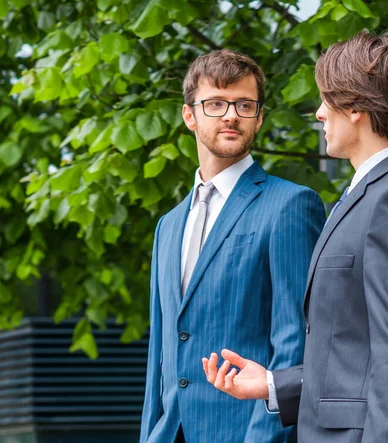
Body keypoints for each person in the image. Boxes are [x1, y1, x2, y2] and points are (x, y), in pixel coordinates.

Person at [203, 30, 388, 442]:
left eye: (327, 99)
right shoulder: (375, 194)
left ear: (357, 105)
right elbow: (359, 357)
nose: (320, 113)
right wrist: (272, 385)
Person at [140, 49, 325, 443]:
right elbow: (161, 354)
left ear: (259, 117)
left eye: (244, 104)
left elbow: (296, 340)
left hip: (245, 432)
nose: (230, 115)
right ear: (190, 115)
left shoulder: (290, 205)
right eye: (215, 104)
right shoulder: (167, 226)